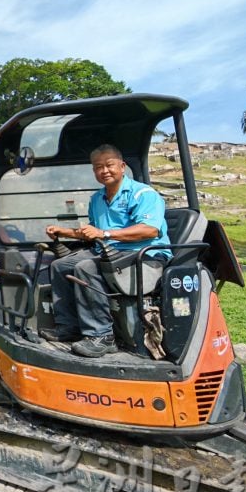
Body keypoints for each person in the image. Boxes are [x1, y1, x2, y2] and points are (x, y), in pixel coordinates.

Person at [41, 144, 171, 357]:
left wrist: (105, 234)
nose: (104, 171)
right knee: (60, 266)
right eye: (98, 167)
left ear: (122, 166)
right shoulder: (97, 199)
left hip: (144, 255)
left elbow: (149, 230)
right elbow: (94, 232)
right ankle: (69, 327)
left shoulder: (143, 194)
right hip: (110, 251)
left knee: (86, 268)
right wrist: (64, 231)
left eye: (109, 165)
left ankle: (102, 336)